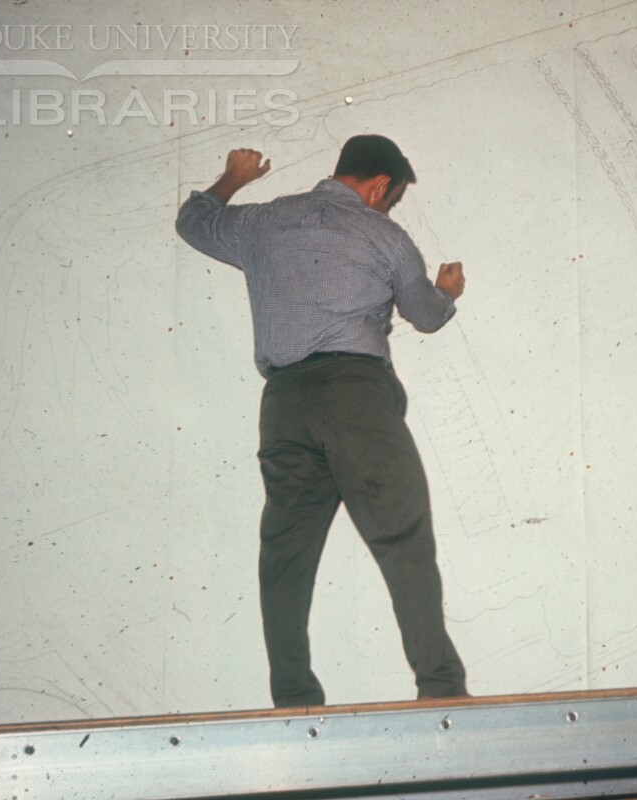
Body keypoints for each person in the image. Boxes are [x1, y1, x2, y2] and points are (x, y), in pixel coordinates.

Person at [176, 134, 468, 706]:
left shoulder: (264, 221)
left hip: (284, 402)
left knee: (286, 554)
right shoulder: (384, 235)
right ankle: (441, 691)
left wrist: (232, 180)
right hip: (355, 398)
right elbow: (425, 317)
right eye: (391, 197)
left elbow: (193, 223)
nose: (388, 208)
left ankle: (293, 697)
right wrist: (445, 291)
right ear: (379, 185)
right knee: (402, 539)